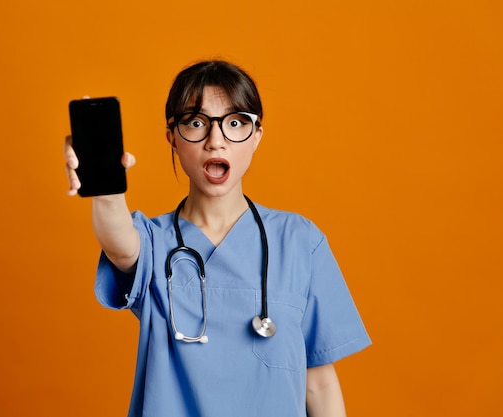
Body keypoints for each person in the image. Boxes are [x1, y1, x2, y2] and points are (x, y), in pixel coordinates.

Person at [64, 60, 371, 417]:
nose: (215, 140)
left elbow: (318, 384)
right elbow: (118, 243)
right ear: (173, 139)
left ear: (257, 136)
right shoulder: (154, 241)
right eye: (196, 123)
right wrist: (105, 188)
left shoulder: (300, 241)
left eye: (235, 123)